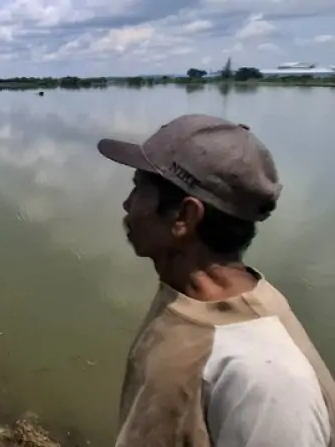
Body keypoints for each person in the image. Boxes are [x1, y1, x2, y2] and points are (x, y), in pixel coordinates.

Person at [96, 114, 335, 446]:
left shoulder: (267, 383)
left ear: (184, 217)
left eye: (139, 189)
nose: (127, 204)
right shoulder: (185, 297)